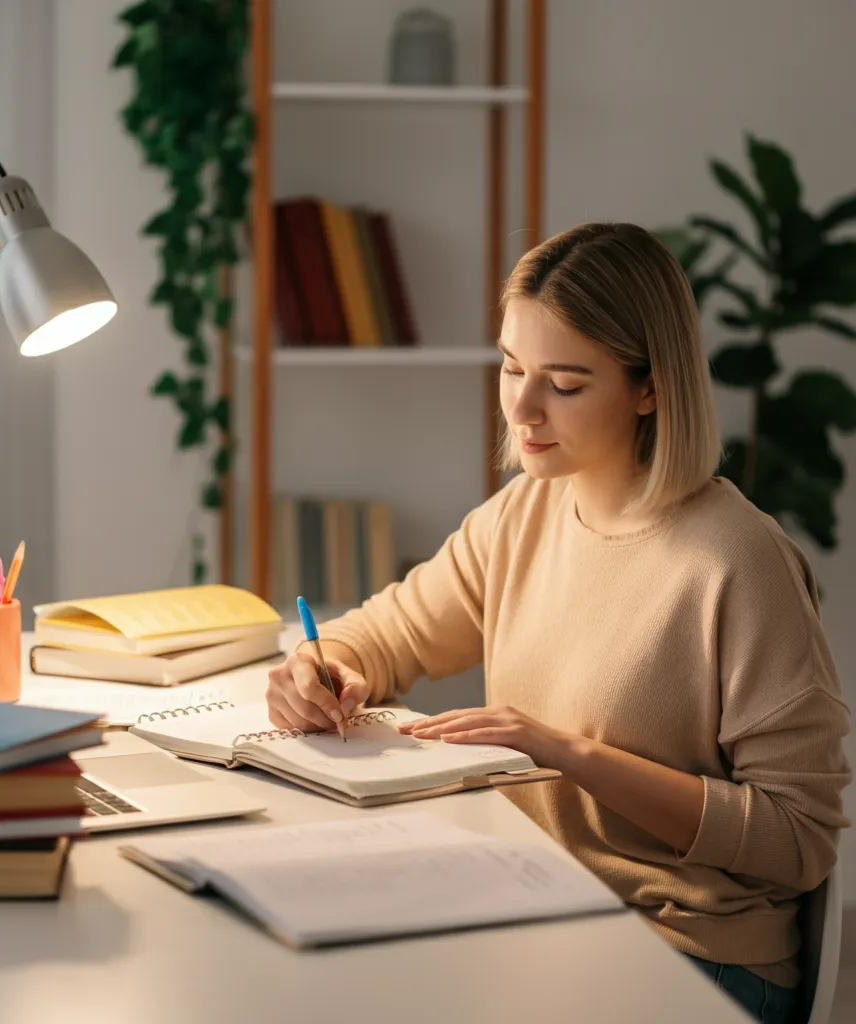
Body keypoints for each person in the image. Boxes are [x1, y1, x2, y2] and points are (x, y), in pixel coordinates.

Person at [265, 223, 852, 1024]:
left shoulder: (739, 562)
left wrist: (566, 752)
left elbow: (798, 840)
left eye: (566, 384)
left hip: (687, 954)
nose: (523, 408)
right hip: (535, 911)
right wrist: (323, 663)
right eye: (511, 367)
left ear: (650, 388)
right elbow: (388, 634)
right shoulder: (525, 514)